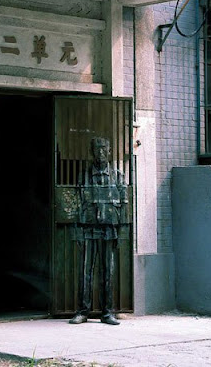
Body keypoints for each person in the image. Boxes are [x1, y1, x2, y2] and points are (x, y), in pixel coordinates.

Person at [69, 136, 128, 325]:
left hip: (109, 230)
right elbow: (76, 204)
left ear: (109, 151)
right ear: (91, 152)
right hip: (88, 229)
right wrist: (77, 231)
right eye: (96, 149)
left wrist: (122, 232)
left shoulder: (118, 176)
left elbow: (125, 206)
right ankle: (82, 311)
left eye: (103, 149)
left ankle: (107, 312)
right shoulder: (84, 175)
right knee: (85, 271)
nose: (100, 152)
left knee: (108, 272)